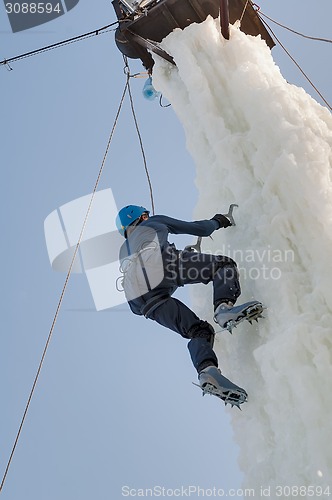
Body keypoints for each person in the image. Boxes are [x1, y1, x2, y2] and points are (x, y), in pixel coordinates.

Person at [116, 205, 263, 408]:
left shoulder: (125, 251)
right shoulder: (152, 222)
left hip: (142, 302)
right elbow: (200, 229)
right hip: (161, 264)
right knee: (223, 266)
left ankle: (207, 372)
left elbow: (153, 281)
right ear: (141, 216)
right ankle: (223, 309)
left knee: (199, 331)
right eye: (145, 214)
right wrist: (219, 220)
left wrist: (184, 261)